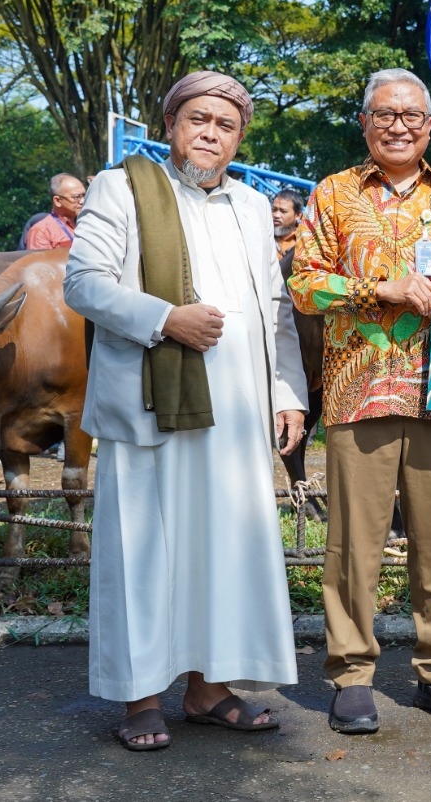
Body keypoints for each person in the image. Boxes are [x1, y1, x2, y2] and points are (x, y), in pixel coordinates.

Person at [63, 70, 309, 752]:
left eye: (225, 125)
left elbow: (274, 310)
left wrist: (286, 395)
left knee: (222, 551)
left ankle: (207, 690)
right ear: (171, 125)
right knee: (144, 550)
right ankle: (141, 698)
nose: (210, 132)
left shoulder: (254, 207)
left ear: (239, 139)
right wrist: (165, 318)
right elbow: (82, 284)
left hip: (235, 416)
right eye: (198, 119)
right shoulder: (123, 187)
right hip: (151, 403)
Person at [290, 68, 431, 735]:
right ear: (365, 122)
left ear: (430, 126)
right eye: (385, 113)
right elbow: (304, 287)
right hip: (358, 391)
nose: (399, 125)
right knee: (353, 545)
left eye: (412, 115)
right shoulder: (333, 193)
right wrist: (382, 289)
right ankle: (351, 673)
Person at [23, 173, 86, 250]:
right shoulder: (42, 231)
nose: (82, 201)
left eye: (84, 195)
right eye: (76, 197)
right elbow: (41, 261)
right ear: (57, 201)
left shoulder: (89, 224)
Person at [271, 189, 305, 273]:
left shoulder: (305, 242)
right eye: (274, 210)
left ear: (298, 215)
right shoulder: (263, 236)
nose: (276, 215)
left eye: (283, 211)